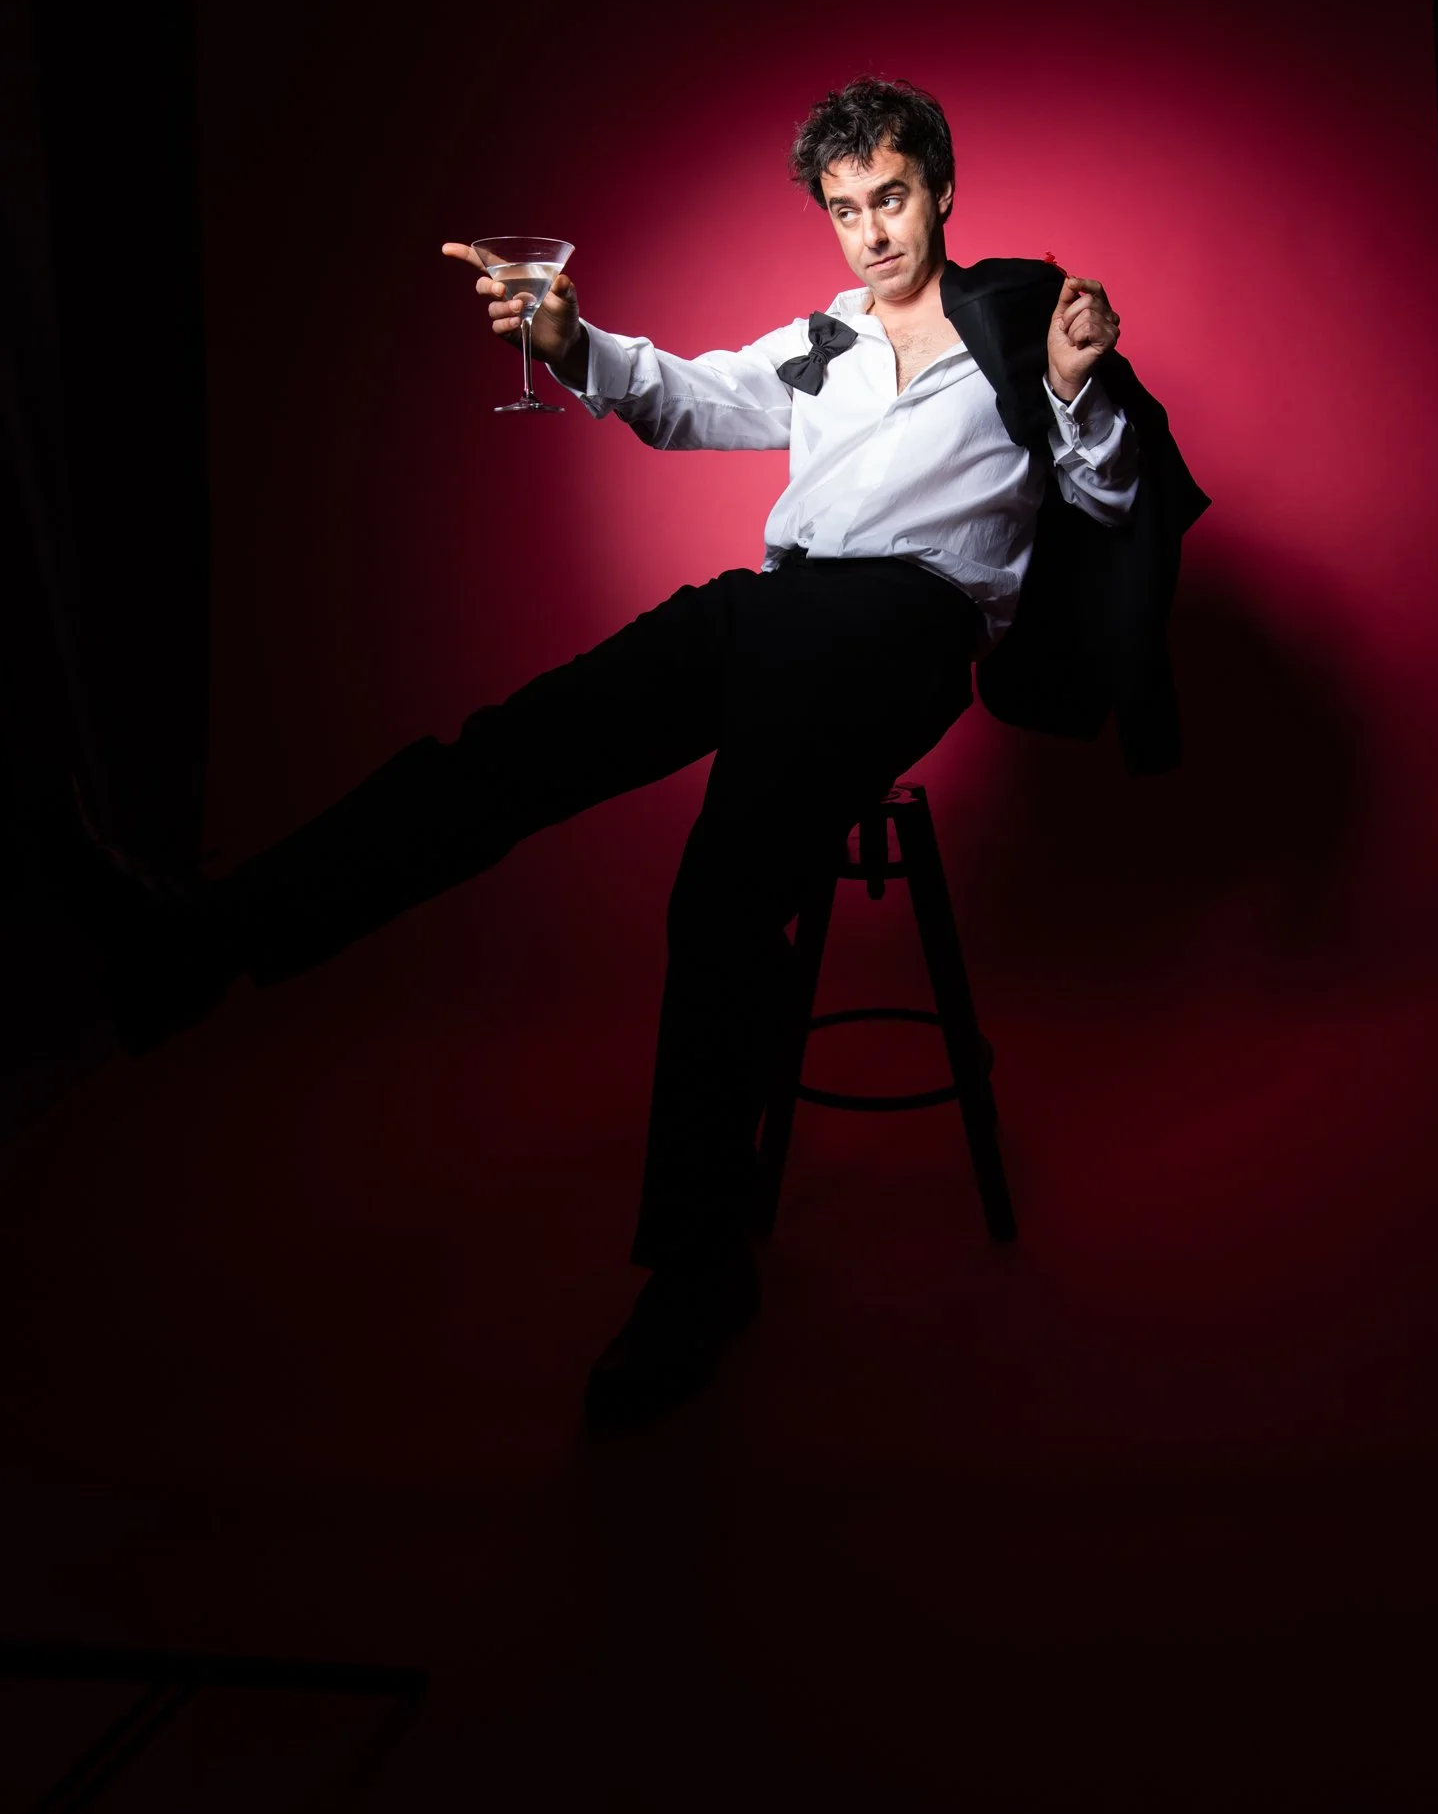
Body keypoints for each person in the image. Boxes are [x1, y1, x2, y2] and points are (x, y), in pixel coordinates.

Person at [73, 76, 1206, 1430]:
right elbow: (681, 398)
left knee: (722, 892)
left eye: (890, 198)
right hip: (769, 608)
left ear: (942, 190)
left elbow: (1112, 495)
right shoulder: (823, 341)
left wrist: (1077, 390)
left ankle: (698, 1264)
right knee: (508, 753)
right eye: (843, 210)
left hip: (906, 625)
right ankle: (202, 941)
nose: (869, 233)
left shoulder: (1017, 324)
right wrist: (567, 337)